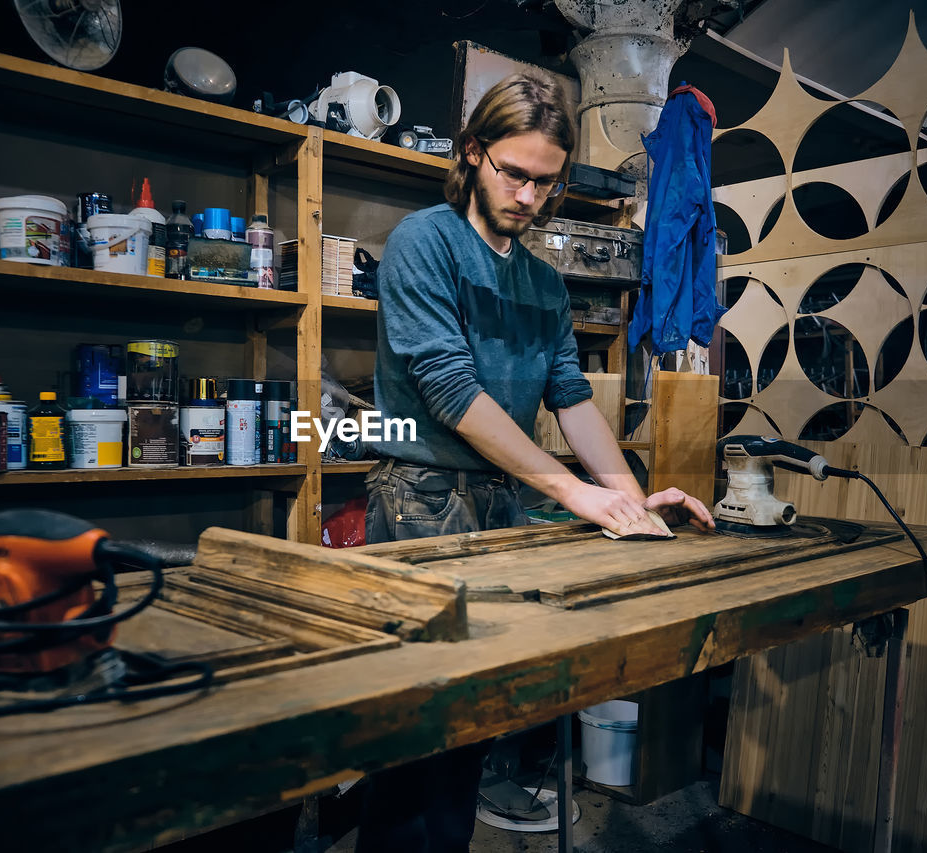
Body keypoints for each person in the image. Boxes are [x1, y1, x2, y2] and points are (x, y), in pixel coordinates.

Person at [357, 72, 715, 852]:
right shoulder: (424, 243)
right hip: (420, 501)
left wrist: (628, 494)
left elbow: (570, 399)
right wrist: (574, 493)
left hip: (498, 502)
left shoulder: (544, 285)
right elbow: (452, 392)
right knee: (410, 729)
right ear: (472, 153)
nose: (527, 194)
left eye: (545, 181)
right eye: (512, 172)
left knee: (469, 727)